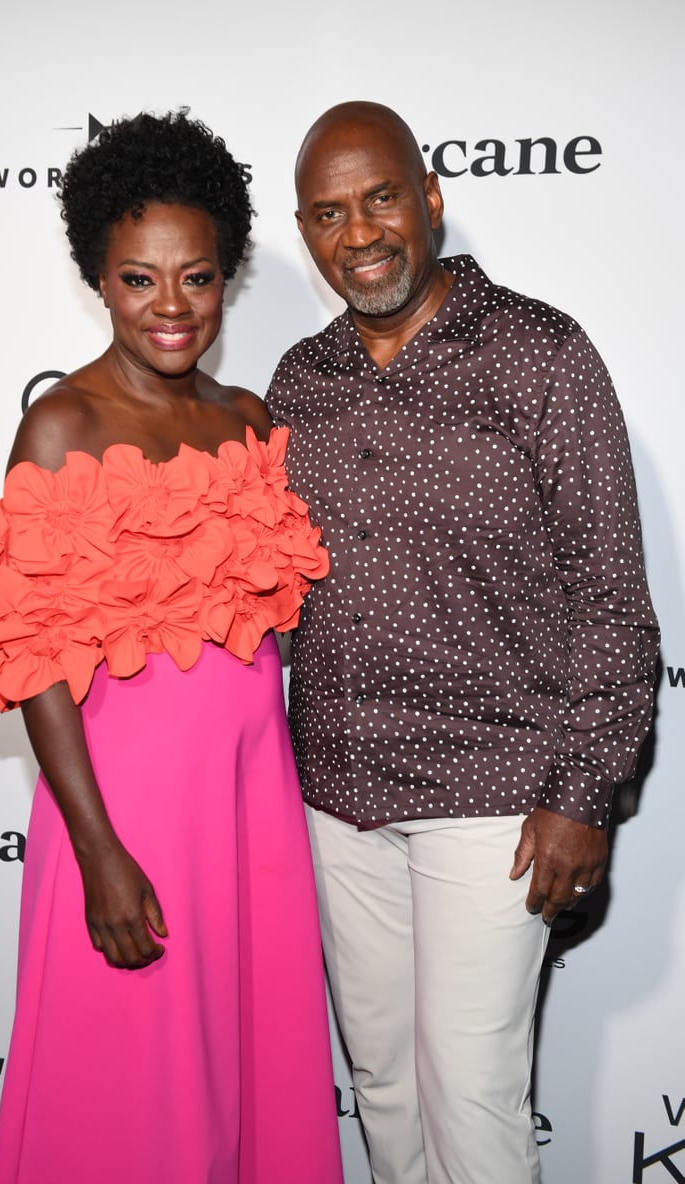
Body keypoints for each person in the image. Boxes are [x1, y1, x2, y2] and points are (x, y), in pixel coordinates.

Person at [266, 100, 659, 1184]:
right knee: (384, 1083)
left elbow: (612, 593)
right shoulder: (299, 382)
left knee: (472, 1092)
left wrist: (584, 790)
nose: (361, 232)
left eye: (382, 196)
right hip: (339, 793)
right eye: (330, 212)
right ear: (307, 234)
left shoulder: (541, 353)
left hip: (498, 799)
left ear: (431, 200)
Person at [0, 110, 343, 1184]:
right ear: (98, 276)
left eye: (198, 277)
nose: (172, 307)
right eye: (140, 279)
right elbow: (34, 658)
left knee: (245, 1063)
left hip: (248, 792)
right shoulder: (62, 427)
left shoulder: (246, 418)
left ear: (227, 276)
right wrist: (98, 851)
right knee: (132, 1074)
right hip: (125, 807)